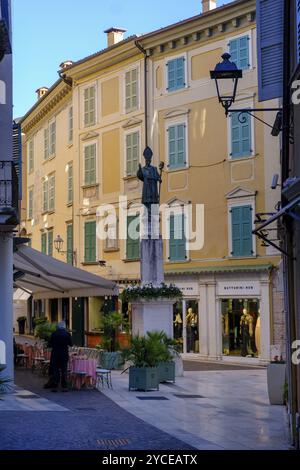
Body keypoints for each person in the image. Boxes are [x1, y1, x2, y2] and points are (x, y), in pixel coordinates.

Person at [48, 321, 73, 392]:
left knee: (55, 370)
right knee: (64, 370)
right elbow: (71, 344)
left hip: (55, 354)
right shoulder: (67, 334)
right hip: (64, 354)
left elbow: (49, 344)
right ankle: (64, 386)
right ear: (64, 326)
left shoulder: (54, 334)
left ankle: (55, 385)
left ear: (58, 326)